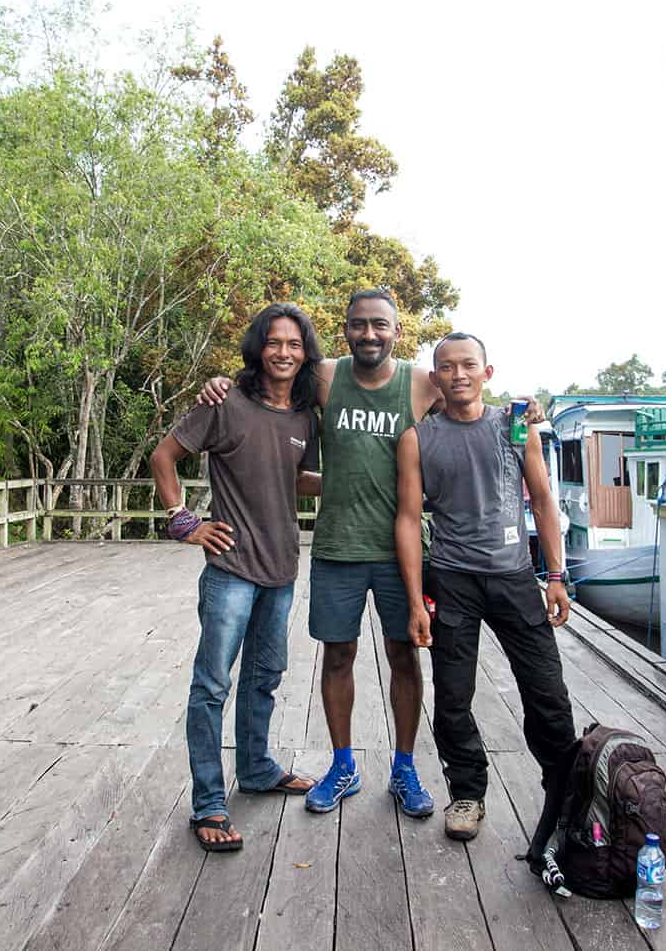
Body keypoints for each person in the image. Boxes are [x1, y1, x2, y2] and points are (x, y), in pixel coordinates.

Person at [200, 290, 543, 819]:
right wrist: (221, 383)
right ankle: (343, 765)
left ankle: (404, 767)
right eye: (359, 324)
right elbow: (269, 376)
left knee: (403, 655)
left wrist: (528, 408)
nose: (369, 334)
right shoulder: (325, 377)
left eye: (380, 325)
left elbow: (471, 397)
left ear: (397, 332)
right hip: (337, 546)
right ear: (346, 330)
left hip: (400, 552)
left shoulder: (422, 382)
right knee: (338, 656)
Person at [150, 303, 323, 852]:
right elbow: (164, 456)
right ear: (258, 347)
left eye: (294, 344)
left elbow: (296, 478)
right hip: (230, 569)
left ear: (305, 353)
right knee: (211, 686)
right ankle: (208, 803)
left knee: (264, 677)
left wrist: (358, 475)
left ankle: (256, 769)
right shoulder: (224, 401)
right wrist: (184, 522)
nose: (283, 352)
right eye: (274, 342)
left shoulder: (305, 415)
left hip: (281, 568)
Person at [395, 332, 575, 841]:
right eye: (447, 367)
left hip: (514, 577)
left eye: (468, 365)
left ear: (487, 372)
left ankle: (566, 795)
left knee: (547, 692)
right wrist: (416, 602)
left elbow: (543, 501)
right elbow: (407, 518)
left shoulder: (515, 425)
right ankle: (467, 792)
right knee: (453, 697)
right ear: (435, 378)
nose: (458, 375)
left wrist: (555, 576)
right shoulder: (418, 438)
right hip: (452, 577)